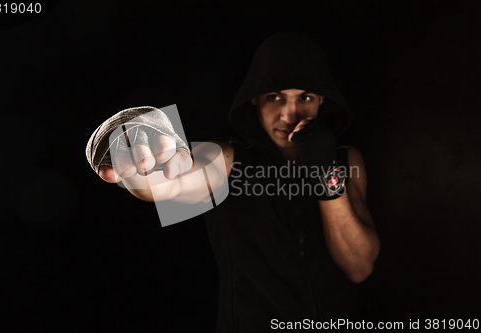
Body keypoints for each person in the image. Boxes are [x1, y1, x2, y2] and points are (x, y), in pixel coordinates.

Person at [86, 31, 380, 332]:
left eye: (304, 97)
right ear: (255, 101)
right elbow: (168, 185)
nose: (289, 113)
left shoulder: (346, 160)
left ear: (320, 101)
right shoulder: (229, 160)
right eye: (275, 97)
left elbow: (358, 267)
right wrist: (138, 148)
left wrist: (325, 173)